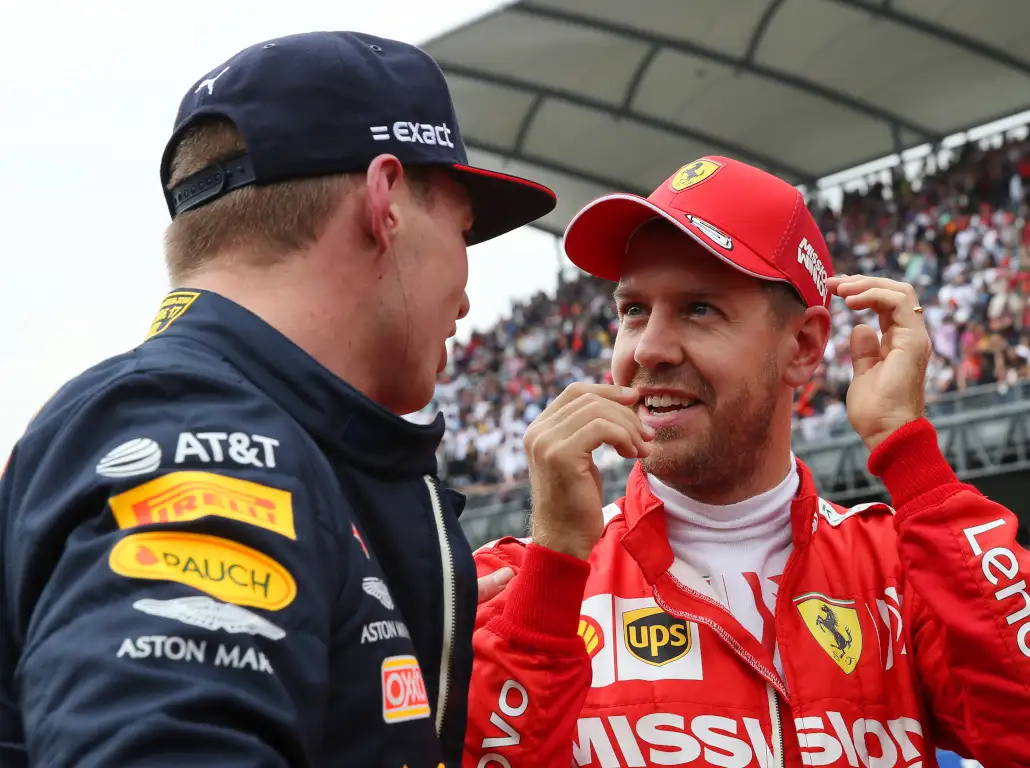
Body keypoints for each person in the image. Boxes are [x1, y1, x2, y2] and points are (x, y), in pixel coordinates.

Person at [0, 31, 556, 768]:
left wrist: (388, 632)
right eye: (463, 230)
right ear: (385, 200)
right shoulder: (204, 438)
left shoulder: (243, 432)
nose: (465, 284)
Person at [467, 157, 1030, 767]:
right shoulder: (518, 588)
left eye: (699, 309)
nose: (648, 348)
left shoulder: (900, 573)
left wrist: (909, 451)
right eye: (632, 310)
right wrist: (551, 569)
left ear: (805, 346)